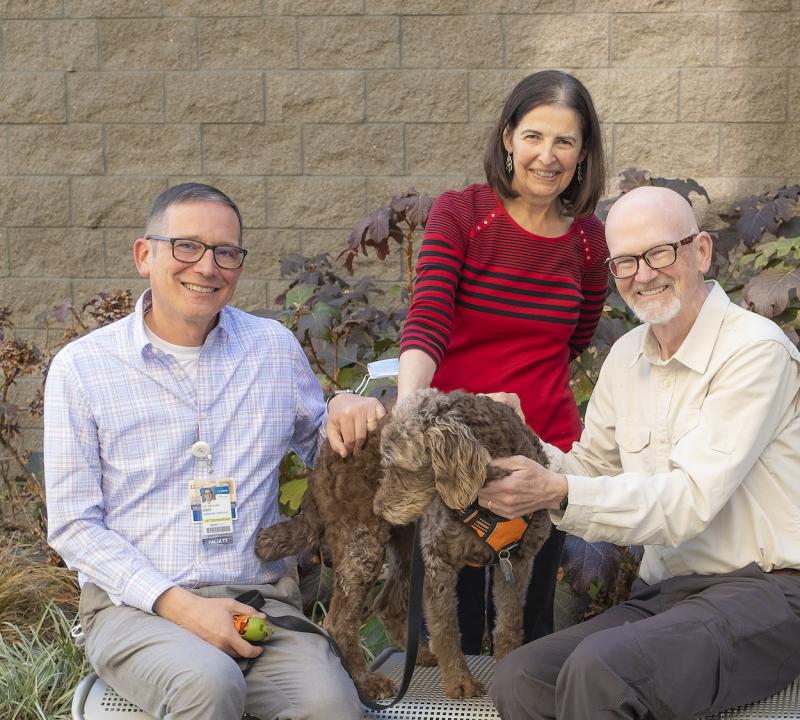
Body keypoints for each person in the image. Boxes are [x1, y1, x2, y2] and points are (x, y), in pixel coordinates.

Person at [477, 186, 800, 720]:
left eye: (659, 253)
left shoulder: (754, 351)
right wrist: (516, 442)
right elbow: (589, 471)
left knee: (603, 668)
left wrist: (557, 489)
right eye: (624, 262)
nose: (642, 274)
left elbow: (687, 501)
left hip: (773, 594)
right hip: (669, 595)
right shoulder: (626, 357)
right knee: (522, 677)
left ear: (701, 252)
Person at [44, 183, 357, 720]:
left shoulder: (272, 349)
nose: (207, 266)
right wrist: (182, 607)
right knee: (208, 686)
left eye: (226, 252)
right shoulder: (83, 368)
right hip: (137, 608)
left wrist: (351, 409)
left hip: (260, 603)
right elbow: (74, 526)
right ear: (145, 255)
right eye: (186, 246)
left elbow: (324, 448)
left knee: (330, 705)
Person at [325, 69, 609, 652]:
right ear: (508, 137)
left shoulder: (588, 240)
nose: (547, 156)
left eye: (565, 141)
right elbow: (429, 317)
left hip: (540, 452)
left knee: (522, 634)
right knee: (451, 639)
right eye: (533, 136)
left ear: (583, 153)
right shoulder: (463, 215)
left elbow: (574, 337)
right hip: (454, 455)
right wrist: (411, 414)